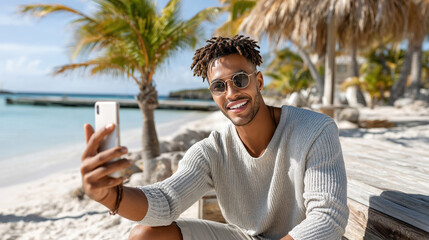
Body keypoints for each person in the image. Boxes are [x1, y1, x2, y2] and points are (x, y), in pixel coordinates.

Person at [80, 35, 349, 240]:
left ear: (259, 82)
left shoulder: (315, 130)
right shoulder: (211, 150)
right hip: (246, 237)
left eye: (240, 79)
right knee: (145, 235)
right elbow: (166, 201)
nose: (231, 93)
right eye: (219, 86)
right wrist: (109, 196)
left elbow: (327, 217)